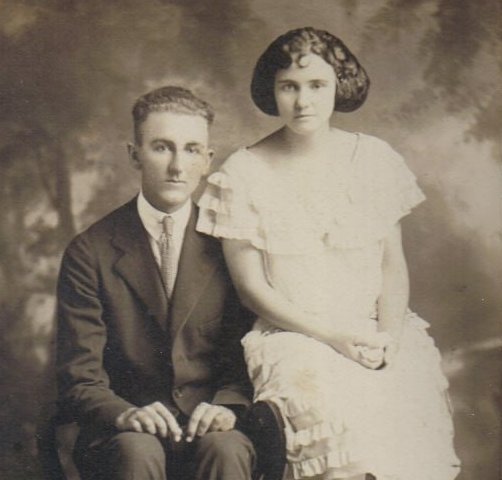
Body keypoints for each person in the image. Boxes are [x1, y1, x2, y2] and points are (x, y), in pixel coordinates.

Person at [197, 27, 461, 480]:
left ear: (339, 84)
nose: (303, 102)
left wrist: (390, 337)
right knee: (342, 439)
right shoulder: (243, 173)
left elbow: (391, 265)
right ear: (272, 91)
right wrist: (332, 336)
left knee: (403, 423)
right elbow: (251, 289)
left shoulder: (374, 159)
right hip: (295, 337)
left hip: (376, 330)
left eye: (317, 86)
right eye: (289, 87)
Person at [56, 86, 256, 480]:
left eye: (192, 149)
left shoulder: (231, 245)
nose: (178, 166)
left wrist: (228, 406)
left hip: (208, 421)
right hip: (125, 427)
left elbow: (250, 351)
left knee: (226, 448)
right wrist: (124, 413)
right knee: (137, 451)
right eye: (162, 148)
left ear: (208, 160)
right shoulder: (89, 251)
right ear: (134, 155)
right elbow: (80, 376)